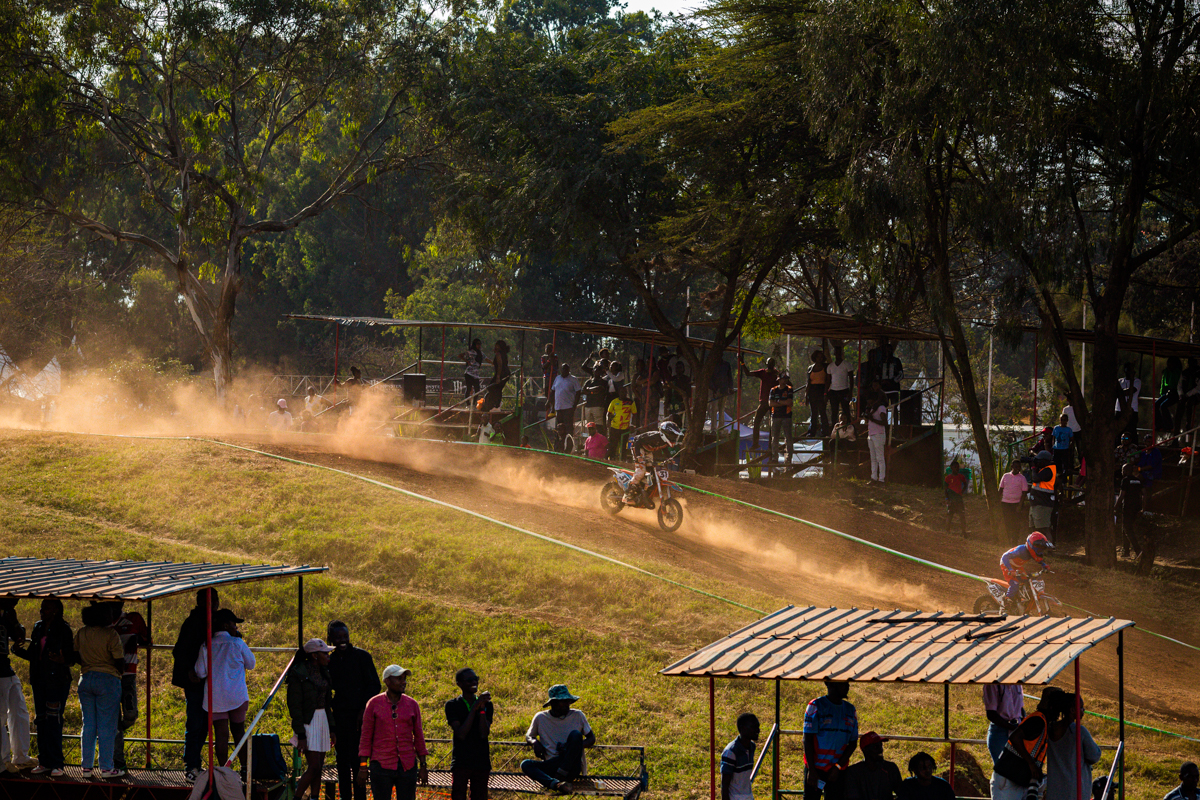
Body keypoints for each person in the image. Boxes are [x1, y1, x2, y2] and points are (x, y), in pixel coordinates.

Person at [13, 599, 72, 776]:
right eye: (42, 607)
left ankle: (57, 764)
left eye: (46, 608)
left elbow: (70, 657)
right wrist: (18, 651)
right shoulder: (39, 627)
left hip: (57, 681)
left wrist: (62, 660)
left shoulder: (64, 629)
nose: (41, 610)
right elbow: (33, 654)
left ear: (56, 610)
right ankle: (44, 761)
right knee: (41, 720)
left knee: (54, 720)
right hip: (39, 680)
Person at [194, 609, 256, 772]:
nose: (236, 627)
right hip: (236, 696)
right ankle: (244, 768)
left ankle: (223, 770)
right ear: (226, 625)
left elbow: (200, 672)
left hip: (215, 698)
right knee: (239, 733)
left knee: (221, 736)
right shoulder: (237, 643)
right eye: (234, 624)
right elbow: (251, 664)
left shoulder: (206, 645)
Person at [328, 621, 380, 800]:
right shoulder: (330, 661)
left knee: (359, 762)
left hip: (360, 718)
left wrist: (363, 709)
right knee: (342, 762)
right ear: (331, 639)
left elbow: (374, 685)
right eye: (338, 637)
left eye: (345, 636)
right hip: (341, 717)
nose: (342, 640)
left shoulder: (362, 657)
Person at [990, 687, 1072, 800]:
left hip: (1016, 781)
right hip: (1008, 780)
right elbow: (1015, 737)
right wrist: (1031, 764)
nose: (1059, 714)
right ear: (1052, 707)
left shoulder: (1044, 722)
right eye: (1058, 709)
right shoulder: (1037, 721)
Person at [359, 665, 428, 800]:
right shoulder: (374, 704)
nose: (404, 682)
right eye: (399, 679)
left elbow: (419, 736)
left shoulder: (412, 704)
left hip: (407, 765)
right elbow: (366, 737)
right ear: (387, 681)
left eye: (404, 679)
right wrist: (363, 767)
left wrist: (423, 766)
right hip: (381, 765)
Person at [172, 589, 220, 782]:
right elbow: (179, 650)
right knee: (196, 723)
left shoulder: (213, 620)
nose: (213, 603)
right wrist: (189, 671)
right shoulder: (193, 622)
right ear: (200, 602)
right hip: (196, 680)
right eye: (209, 600)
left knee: (203, 724)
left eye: (214, 600)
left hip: (209, 680)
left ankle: (194, 763)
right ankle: (191, 764)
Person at [74, 602, 125, 778]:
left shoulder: (82, 632)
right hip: (108, 679)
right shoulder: (111, 634)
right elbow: (119, 660)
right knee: (106, 726)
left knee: (88, 724)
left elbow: (75, 654)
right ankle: (106, 768)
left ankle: (86, 767)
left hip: (86, 678)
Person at [522, 684, 595, 793]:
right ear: (553, 703)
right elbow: (529, 735)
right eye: (563, 701)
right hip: (553, 764)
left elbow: (591, 738)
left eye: (568, 701)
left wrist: (571, 747)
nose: (567, 704)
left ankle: (560, 775)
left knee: (576, 735)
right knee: (526, 764)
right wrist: (534, 742)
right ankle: (557, 784)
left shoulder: (578, 715)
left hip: (571, 765)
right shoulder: (540, 717)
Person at [289, 638, 337, 800]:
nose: (328, 656)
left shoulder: (324, 672)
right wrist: (301, 734)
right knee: (314, 766)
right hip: (308, 721)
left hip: (322, 718)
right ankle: (297, 797)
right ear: (315, 655)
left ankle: (314, 797)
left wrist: (331, 728)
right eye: (325, 653)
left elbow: (327, 702)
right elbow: (295, 707)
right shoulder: (299, 674)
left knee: (318, 767)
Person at [110, 600, 149, 772]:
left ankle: (118, 730)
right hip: (110, 676)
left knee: (131, 714)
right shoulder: (102, 623)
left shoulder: (134, 619)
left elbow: (147, 640)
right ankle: (118, 761)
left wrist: (140, 639)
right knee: (114, 722)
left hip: (128, 675)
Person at [803, 680, 858, 800]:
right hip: (816, 769)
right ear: (831, 684)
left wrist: (838, 766)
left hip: (838, 770)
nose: (848, 686)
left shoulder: (850, 710)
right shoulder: (816, 706)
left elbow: (853, 743)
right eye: (843, 683)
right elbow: (807, 740)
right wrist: (811, 770)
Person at [445, 668, 493, 800]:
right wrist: (474, 708)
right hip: (461, 761)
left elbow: (484, 733)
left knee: (480, 796)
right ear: (459, 684)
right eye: (469, 680)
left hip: (481, 761)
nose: (474, 682)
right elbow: (461, 734)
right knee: (458, 795)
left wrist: (482, 709)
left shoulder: (487, 705)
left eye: (475, 679)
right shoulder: (452, 705)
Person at [1045, 694, 1100, 800]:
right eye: (1081, 707)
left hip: (1054, 789)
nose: (1083, 710)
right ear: (1072, 710)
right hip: (1075, 790)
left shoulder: (1050, 728)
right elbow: (1095, 755)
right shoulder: (1079, 731)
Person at [0, 599, 31, 773]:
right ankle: (3, 762)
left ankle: (20, 756)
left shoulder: (8, 613)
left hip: (6, 669)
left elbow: (18, 636)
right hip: (2, 671)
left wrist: (14, 621)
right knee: (0, 717)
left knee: (19, 711)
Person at [624, 421, 681, 506]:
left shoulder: (664, 441)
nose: (674, 438)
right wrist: (638, 456)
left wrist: (669, 458)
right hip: (638, 446)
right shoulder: (654, 437)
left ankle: (643, 489)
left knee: (651, 470)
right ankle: (628, 494)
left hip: (648, 451)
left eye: (675, 436)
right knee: (641, 471)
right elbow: (638, 441)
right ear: (665, 433)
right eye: (672, 435)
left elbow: (664, 449)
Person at [999, 533, 1054, 614]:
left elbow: (1038, 559)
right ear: (1032, 546)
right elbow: (1005, 557)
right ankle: (1006, 604)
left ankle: (1021, 601)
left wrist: (1044, 565)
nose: (1040, 551)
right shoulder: (1021, 550)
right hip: (1006, 564)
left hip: (1017, 566)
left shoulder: (1031, 552)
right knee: (1015, 583)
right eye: (1039, 548)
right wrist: (1010, 569)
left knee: (1027, 580)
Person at [842, 731, 901, 800]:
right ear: (865, 750)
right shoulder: (853, 772)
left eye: (881, 746)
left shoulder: (890, 768)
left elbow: (902, 793)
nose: (880, 750)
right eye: (876, 747)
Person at [739, 356, 779, 452]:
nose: (770, 365)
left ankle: (770, 445)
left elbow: (784, 382)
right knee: (757, 422)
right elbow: (748, 373)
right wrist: (742, 363)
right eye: (769, 363)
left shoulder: (776, 374)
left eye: (771, 363)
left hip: (772, 402)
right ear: (767, 364)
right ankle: (756, 444)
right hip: (764, 402)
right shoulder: (763, 372)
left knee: (771, 425)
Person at [721, 713, 760, 800]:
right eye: (754, 727)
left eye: (758, 727)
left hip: (748, 796)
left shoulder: (752, 747)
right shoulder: (731, 752)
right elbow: (724, 785)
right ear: (743, 728)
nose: (758, 730)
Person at [983, 683, 1025, 764]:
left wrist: (1023, 723)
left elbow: (1020, 708)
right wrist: (1013, 728)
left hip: (1017, 730)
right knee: (1002, 769)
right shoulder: (992, 684)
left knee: (1017, 768)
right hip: (1000, 732)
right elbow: (991, 714)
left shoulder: (1017, 684)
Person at [1115, 462, 1145, 557]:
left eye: (1123, 470)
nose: (1122, 471)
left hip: (1128, 507)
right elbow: (1145, 494)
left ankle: (1138, 550)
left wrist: (1115, 507)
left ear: (1126, 471)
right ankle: (1126, 551)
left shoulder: (1125, 480)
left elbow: (1121, 496)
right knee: (1126, 528)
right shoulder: (1138, 480)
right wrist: (1143, 508)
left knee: (1128, 529)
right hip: (1137, 508)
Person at [551, 364, 582, 452]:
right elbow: (553, 391)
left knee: (568, 428)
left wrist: (575, 405)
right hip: (558, 407)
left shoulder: (573, 379)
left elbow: (578, 392)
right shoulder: (557, 378)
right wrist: (549, 403)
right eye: (563, 369)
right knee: (559, 428)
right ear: (561, 370)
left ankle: (569, 448)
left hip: (568, 407)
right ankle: (558, 447)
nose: (564, 371)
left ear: (568, 370)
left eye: (566, 369)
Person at [1027, 451, 1056, 538]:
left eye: (1039, 460)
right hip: (1036, 504)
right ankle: (1037, 549)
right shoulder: (1043, 470)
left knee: (1043, 529)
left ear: (1045, 461)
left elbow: (1035, 479)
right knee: (1034, 529)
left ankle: (1048, 549)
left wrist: (1033, 467)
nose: (1037, 462)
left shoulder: (1048, 470)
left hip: (1042, 505)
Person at [998, 462, 1029, 546]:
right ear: (1011, 467)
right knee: (1007, 522)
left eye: (1019, 467)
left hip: (1016, 504)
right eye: (1015, 467)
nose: (1017, 469)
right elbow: (1000, 489)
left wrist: (1020, 505)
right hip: (1005, 503)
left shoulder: (1022, 478)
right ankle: (1007, 540)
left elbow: (1024, 492)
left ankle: (1014, 541)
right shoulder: (1005, 476)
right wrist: (997, 502)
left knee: (1015, 523)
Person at [606, 388, 638, 460]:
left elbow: (635, 414)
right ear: (619, 393)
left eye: (624, 392)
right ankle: (612, 459)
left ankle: (623, 461)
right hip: (614, 427)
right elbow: (609, 413)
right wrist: (608, 423)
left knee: (623, 446)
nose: (623, 393)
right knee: (613, 445)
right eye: (621, 392)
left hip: (625, 428)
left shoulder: (630, 402)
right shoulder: (614, 401)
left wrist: (632, 425)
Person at [769, 374, 795, 463]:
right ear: (779, 380)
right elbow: (771, 403)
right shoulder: (773, 390)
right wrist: (783, 403)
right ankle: (774, 458)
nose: (784, 381)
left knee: (788, 438)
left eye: (786, 379)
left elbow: (790, 402)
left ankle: (788, 459)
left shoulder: (789, 389)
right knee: (774, 438)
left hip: (786, 416)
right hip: (775, 416)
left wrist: (778, 401)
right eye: (783, 379)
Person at [826, 346, 855, 425]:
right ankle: (833, 430)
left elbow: (851, 380)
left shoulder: (847, 364)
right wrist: (826, 392)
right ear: (834, 353)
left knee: (846, 411)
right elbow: (828, 381)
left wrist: (850, 392)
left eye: (839, 352)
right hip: (833, 391)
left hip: (844, 390)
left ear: (841, 353)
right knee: (834, 412)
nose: (838, 354)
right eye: (836, 352)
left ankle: (848, 428)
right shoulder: (830, 366)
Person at [1156, 356, 1184, 433]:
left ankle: (1169, 426)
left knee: (1163, 406)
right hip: (1167, 393)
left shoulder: (1177, 372)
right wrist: (1163, 394)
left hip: (1175, 393)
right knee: (1155, 405)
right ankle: (1159, 425)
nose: (1169, 365)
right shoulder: (1166, 371)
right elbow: (1164, 384)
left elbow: (1176, 385)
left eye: (1171, 364)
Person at [805, 351, 829, 438]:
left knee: (822, 411)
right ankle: (812, 432)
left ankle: (825, 431)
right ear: (815, 358)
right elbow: (808, 382)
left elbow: (827, 381)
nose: (820, 358)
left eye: (821, 357)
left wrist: (825, 393)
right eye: (818, 357)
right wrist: (806, 395)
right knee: (813, 412)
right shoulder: (810, 368)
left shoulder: (825, 367)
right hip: (812, 391)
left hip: (821, 390)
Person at [482, 340, 511, 412]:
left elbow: (500, 365)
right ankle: (496, 405)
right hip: (506, 373)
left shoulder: (498, 354)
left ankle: (496, 405)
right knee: (497, 389)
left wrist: (498, 377)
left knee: (492, 387)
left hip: (501, 373)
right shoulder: (503, 354)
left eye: (496, 345)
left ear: (499, 346)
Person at [866, 390, 888, 484]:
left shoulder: (881, 408)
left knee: (880, 457)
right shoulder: (872, 409)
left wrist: (872, 419)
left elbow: (884, 422)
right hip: (871, 434)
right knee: (873, 458)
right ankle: (874, 477)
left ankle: (881, 479)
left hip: (878, 434)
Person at [582, 366, 610, 437]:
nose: (596, 372)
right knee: (590, 425)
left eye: (598, 371)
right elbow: (583, 391)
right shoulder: (588, 381)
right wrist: (593, 391)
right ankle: (591, 441)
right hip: (588, 406)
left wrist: (589, 390)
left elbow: (600, 388)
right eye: (595, 370)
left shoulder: (603, 382)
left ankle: (601, 441)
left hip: (598, 406)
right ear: (593, 371)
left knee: (599, 425)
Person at [709, 356, 735, 434]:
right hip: (714, 390)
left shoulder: (726, 364)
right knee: (713, 409)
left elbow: (729, 377)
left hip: (724, 390)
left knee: (721, 409)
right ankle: (713, 429)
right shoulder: (712, 364)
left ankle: (720, 428)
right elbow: (709, 378)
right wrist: (713, 389)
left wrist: (730, 388)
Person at [1116, 363, 1141, 438]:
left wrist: (1120, 393)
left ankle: (1133, 447)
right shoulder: (1120, 381)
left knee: (1131, 431)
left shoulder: (1137, 381)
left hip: (1132, 410)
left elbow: (1131, 391)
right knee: (1119, 432)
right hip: (1119, 410)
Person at [944, 459, 968, 536]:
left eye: (958, 467)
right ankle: (947, 531)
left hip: (959, 499)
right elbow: (945, 490)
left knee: (962, 515)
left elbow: (965, 484)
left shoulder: (961, 476)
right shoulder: (948, 478)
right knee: (950, 515)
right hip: (951, 499)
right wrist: (947, 499)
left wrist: (962, 492)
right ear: (951, 468)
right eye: (955, 467)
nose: (957, 469)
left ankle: (964, 532)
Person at [1051, 414, 1074, 481]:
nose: (1063, 421)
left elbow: (1072, 439)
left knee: (1065, 464)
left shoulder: (1069, 430)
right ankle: (1057, 476)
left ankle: (1064, 479)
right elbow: (1053, 437)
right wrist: (1053, 445)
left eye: (1064, 420)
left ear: (1067, 421)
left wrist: (1070, 445)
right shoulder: (1056, 428)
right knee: (1056, 463)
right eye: (1061, 420)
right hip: (1057, 448)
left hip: (1065, 449)